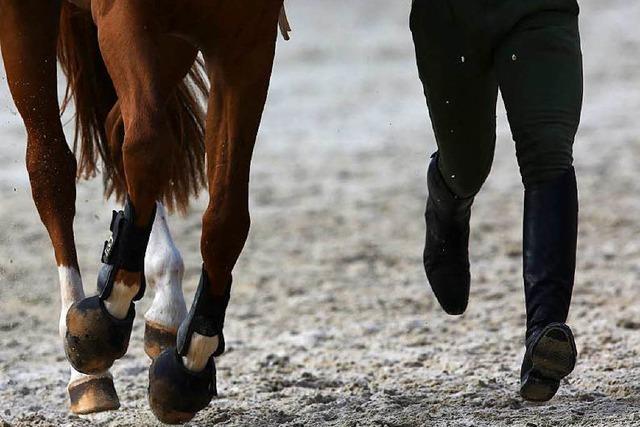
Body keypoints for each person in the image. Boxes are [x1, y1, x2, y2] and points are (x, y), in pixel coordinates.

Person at [410, 0, 582, 402]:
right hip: (448, 18)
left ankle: (545, 331)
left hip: (540, 9)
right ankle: (446, 209)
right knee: (466, 166)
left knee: (549, 151)